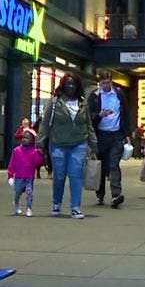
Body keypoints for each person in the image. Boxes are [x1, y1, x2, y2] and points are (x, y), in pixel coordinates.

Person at [37, 73, 97, 219]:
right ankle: (56, 203)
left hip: (79, 143)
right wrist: (39, 143)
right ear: (63, 85)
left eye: (73, 84)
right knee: (59, 175)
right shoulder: (54, 103)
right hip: (58, 143)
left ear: (77, 86)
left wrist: (93, 144)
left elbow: (88, 124)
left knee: (75, 174)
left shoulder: (83, 103)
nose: (70, 86)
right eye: (68, 84)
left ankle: (75, 207)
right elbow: (45, 124)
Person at [87, 70, 132, 209]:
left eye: (108, 82)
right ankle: (100, 193)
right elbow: (88, 117)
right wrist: (99, 115)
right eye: (103, 83)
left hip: (116, 136)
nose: (106, 85)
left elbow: (125, 114)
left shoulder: (119, 95)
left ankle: (116, 194)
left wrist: (127, 135)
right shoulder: (94, 96)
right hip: (100, 135)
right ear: (99, 82)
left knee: (113, 165)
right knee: (101, 166)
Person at [6, 129, 44, 217]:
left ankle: (29, 208)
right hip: (19, 177)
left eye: (27, 138)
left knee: (29, 192)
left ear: (32, 140)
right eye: (23, 137)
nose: (24, 139)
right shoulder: (16, 150)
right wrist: (10, 175)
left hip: (29, 177)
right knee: (17, 193)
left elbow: (38, 162)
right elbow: (12, 164)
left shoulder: (34, 151)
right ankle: (16, 205)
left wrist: (40, 155)